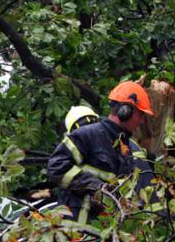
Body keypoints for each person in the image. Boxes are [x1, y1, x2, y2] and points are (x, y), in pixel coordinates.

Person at [47, 82, 155, 224]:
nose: (141, 121)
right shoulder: (87, 135)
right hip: (75, 232)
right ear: (125, 111)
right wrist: (96, 186)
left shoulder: (127, 147)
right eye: (140, 114)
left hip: (105, 234)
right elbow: (56, 167)